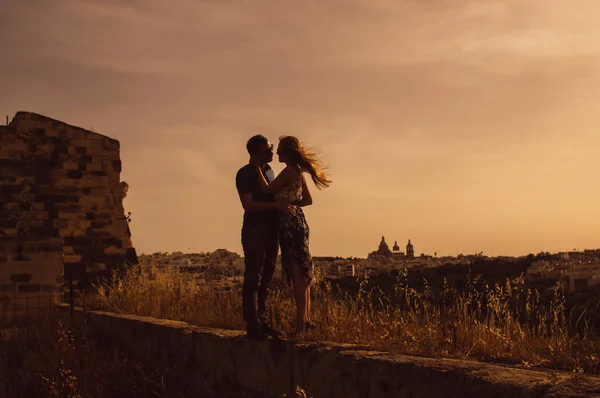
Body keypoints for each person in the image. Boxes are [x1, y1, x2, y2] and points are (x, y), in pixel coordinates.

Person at [255, 136, 332, 334]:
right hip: (299, 222)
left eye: (280, 150)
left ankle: (299, 327)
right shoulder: (299, 172)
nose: (278, 153)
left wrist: (256, 167)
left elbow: (267, 188)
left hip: (289, 225)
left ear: (289, 152)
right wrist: (292, 205)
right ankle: (305, 320)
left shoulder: (289, 170)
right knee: (303, 274)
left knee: (297, 275)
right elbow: (308, 200)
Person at [235, 135, 295, 341]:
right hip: (254, 230)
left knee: (267, 277)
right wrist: (275, 206)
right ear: (261, 148)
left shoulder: (269, 171)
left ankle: (262, 320)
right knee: (254, 277)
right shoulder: (244, 173)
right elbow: (248, 204)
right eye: (270, 148)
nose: (273, 152)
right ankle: (253, 324)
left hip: (270, 230)